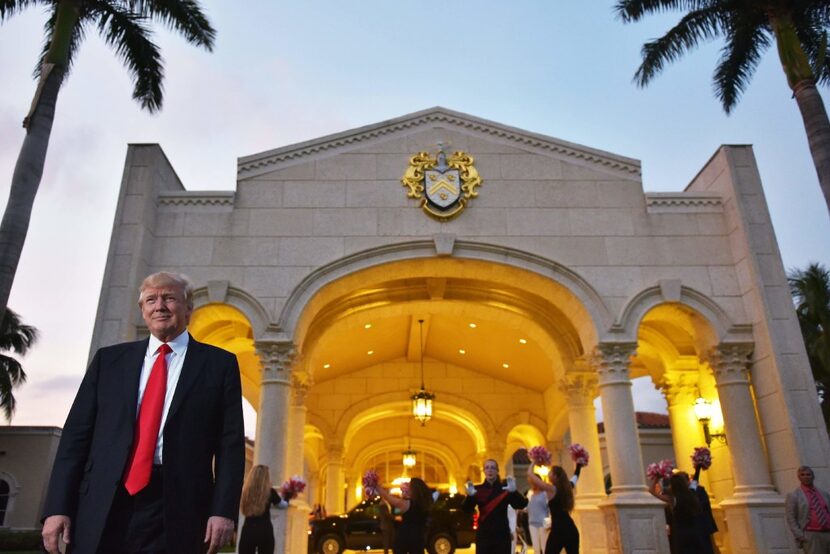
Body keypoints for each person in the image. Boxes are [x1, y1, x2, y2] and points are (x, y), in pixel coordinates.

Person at [41, 272, 245, 554]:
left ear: (188, 308)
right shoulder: (108, 361)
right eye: (151, 299)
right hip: (104, 499)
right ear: (143, 310)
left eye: (169, 298)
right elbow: (75, 439)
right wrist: (57, 508)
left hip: (178, 504)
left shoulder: (219, 365)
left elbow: (230, 447)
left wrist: (223, 511)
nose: (159, 306)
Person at [463, 459, 528, 554]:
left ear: (497, 471)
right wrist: (470, 497)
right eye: (487, 468)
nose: (490, 470)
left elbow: (521, 504)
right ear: (484, 471)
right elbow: (466, 510)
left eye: (493, 468)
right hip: (484, 535)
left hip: (501, 535)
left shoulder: (505, 489)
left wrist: (514, 492)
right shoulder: (477, 490)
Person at [527, 464, 580, 554]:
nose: (548, 473)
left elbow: (530, 474)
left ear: (555, 476)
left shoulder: (551, 489)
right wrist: (578, 466)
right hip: (570, 529)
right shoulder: (567, 487)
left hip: (558, 530)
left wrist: (534, 461)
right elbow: (575, 477)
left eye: (550, 472)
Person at [648, 472, 706, 554]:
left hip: (680, 533)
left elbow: (651, 491)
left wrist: (656, 478)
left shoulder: (672, 499)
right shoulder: (692, 495)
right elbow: (695, 481)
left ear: (674, 485)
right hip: (694, 531)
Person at [238, 465, 289, 554]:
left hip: (248, 529)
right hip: (265, 530)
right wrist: (288, 495)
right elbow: (283, 505)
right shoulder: (270, 492)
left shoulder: (245, 491)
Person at [375, 477, 433, 554]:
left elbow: (388, 497)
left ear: (414, 490)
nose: (407, 488)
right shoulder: (425, 505)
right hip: (419, 538)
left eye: (409, 486)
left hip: (404, 538)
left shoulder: (407, 504)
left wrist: (376, 486)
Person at [785, 466, 830, 553]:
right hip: (811, 534)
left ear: (813, 476)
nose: (806, 477)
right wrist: (799, 535)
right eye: (802, 475)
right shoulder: (794, 495)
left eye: (808, 474)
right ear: (799, 477)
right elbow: (791, 517)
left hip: (828, 532)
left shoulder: (824, 494)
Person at [527, 478, 550, 554]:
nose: (532, 484)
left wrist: (549, 521)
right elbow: (528, 507)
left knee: (545, 547)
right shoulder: (530, 493)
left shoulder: (545, 493)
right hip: (532, 523)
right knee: (536, 548)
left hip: (543, 523)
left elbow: (549, 508)